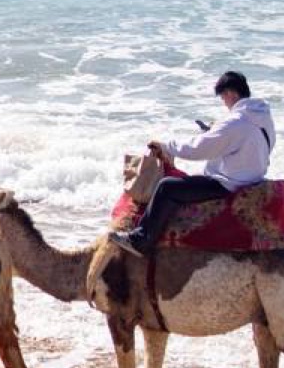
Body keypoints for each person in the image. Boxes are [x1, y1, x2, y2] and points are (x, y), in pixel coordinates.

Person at [111, 71, 274, 257]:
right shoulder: (263, 116)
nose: (224, 102)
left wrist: (166, 146)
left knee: (166, 186)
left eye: (223, 97)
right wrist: (214, 133)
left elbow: (198, 149)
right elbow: (248, 144)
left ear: (230, 93)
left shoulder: (235, 122)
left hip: (229, 184)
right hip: (254, 179)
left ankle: (140, 241)